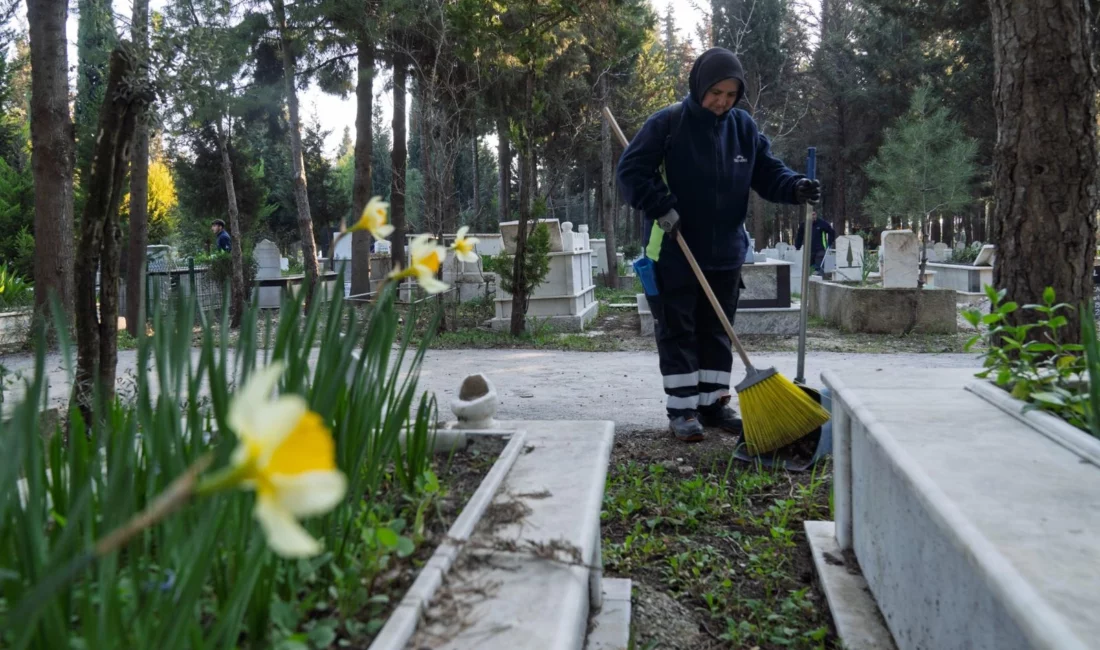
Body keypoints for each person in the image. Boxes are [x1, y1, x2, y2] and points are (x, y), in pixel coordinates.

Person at [616, 47, 820, 443]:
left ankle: (712, 405)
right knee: (678, 330)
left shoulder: (742, 127)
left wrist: (795, 186)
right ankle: (682, 410)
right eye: (715, 93)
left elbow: (766, 172)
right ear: (699, 86)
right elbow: (631, 172)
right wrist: (661, 205)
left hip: (725, 252)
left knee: (716, 332)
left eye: (730, 95)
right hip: (674, 249)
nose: (722, 102)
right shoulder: (669, 123)